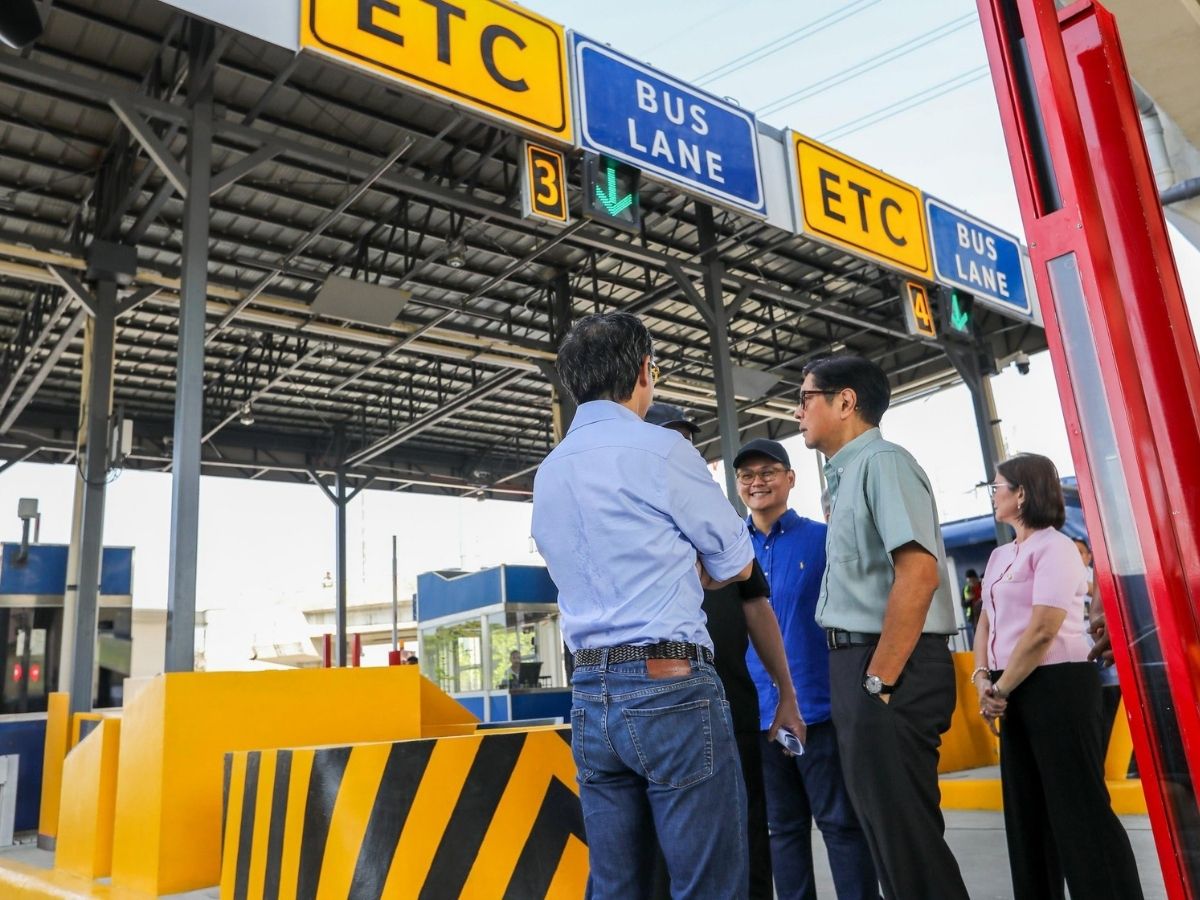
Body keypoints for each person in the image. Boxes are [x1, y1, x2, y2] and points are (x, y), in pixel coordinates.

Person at [531, 313, 755, 899]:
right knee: (707, 883)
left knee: (615, 885)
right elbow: (737, 562)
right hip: (671, 686)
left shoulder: (550, 471)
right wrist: (687, 559)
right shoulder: (661, 450)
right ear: (644, 372)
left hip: (589, 694)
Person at [795, 354, 968, 900]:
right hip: (861, 666)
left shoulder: (883, 463)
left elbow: (918, 574)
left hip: (890, 666)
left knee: (907, 841)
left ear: (845, 402)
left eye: (806, 398)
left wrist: (880, 680)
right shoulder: (846, 478)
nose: (797, 411)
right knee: (887, 837)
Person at [644, 404, 804, 900]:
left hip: (733, 709)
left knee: (750, 837)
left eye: (686, 441)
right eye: (667, 440)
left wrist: (787, 695)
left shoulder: (722, 524)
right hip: (662, 712)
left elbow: (757, 607)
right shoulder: (632, 530)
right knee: (666, 852)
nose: (680, 451)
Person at [974, 453, 1143, 900]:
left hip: (1057, 684)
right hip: (1009, 688)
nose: (993, 495)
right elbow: (985, 625)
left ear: (1022, 493)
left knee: (1078, 811)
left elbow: (1044, 627)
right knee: (1026, 815)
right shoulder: (999, 555)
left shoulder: (1057, 547)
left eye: (997, 486)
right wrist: (981, 679)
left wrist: (1001, 689)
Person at [734, 437, 880, 900]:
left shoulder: (822, 540)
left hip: (820, 709)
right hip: (756, 713)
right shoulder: (727, 549)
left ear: (791, 479)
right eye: (747, 475)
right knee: (783, 829)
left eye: (768, 472)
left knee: (840, 824)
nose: (757, 482)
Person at [961, 569, 983, 643]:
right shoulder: (966, 589)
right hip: (974, 617)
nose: (971, 583)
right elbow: (963, 604)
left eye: (972, 580)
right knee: (978, 635)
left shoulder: (983, 585)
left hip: (986, 612)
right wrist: (969, 600)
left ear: (976, 578)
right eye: (969, 581)